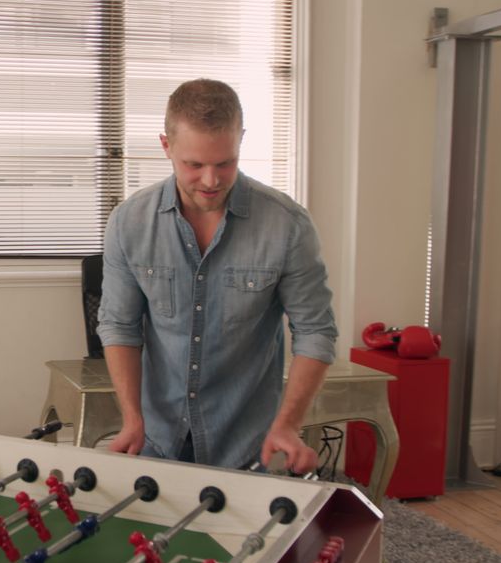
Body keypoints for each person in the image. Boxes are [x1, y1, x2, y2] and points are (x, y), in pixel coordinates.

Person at [98, 78, 337, 474]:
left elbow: (316, 331)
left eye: (224, 163)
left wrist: (289, 424)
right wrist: (132, 420)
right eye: (194, 165)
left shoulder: (287, 225)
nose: (210, 180)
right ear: (166, 146)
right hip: (158, 440)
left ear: (241, 141)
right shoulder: (129, 223)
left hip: (249, 446)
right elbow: (120, 326)